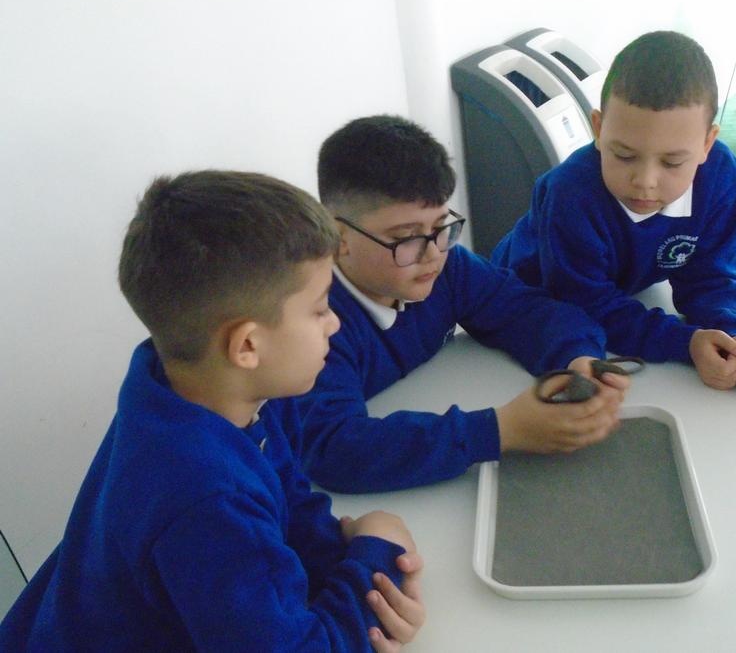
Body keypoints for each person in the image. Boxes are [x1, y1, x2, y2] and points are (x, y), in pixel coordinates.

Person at [0, 171, 425, 651]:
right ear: (247, 346)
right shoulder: (205, 498)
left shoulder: (193, 389)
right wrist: (376, 555)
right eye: (320, 309)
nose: (335, 324)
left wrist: (355, 578)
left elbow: (288, 511)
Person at [297, 115, 630, 494]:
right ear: (339, 237)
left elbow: (525, 310)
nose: (433, 254)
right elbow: (335, 448)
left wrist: (578, 358)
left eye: (441, 226)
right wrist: (500, 430)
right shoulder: (311, 322)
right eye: (406, 237)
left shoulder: (447, 267)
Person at [492, 31, 736, 395]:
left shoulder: (722, 176)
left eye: (672, 162)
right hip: (527, 302)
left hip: (614, 294)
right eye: (624, 155)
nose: (645, 182)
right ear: (598, 130)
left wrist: (733, 341)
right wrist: (684, 342)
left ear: (707, 143)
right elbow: (584, 303)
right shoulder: (570, 193)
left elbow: (711, 277)